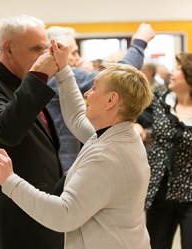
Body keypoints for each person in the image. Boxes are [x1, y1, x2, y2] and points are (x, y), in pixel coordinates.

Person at [0, 39, 154, 249]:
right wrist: (63, 70)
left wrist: (10, 180)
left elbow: (63, 214)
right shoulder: (118, 134)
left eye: (94, 88)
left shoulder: (106, 156)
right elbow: (76, 118)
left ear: (112, 100)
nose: (87, 94)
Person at [0, 15, 63, 249]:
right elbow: (8, 130)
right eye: (36, 49)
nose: (44, 55)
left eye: (45, 48)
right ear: (8, 48)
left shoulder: (24, 84)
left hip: (45, 214)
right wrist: (39, 74)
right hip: (22, 222)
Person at [46, 23, 155, 171]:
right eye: (73, 53)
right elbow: (119, 79)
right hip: (64, 165)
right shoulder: (56, 74)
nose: (77, 58)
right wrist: (139, 43)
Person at [144, 52, 192, 249]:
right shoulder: (159, 100)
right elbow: (133, 116)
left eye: (178, 68)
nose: (171, 72)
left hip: (190, 194)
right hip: (160, 192)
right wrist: (138, 128)